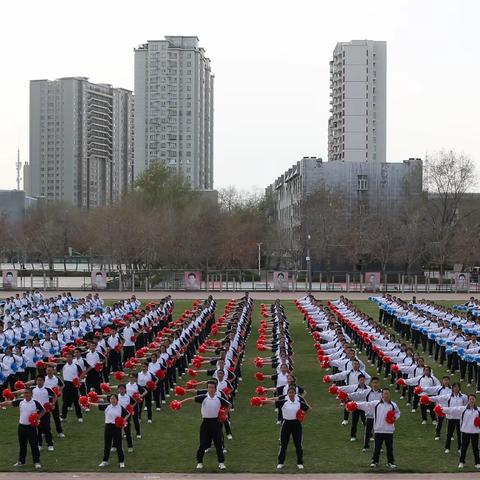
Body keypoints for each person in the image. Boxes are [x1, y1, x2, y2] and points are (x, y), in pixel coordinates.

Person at [178, 380, 231, 470]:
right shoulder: (203, 397)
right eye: (209, 387)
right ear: (207, 388)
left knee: (218, 444)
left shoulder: (218, 399)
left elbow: (228, 405)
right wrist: (180, 403)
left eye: (212, 388)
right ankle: (199, 462)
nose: (210, 389)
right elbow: (191, 399)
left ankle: (221, 463)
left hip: (216, 423)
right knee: (202, 444)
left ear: (215, 389)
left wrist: (224, 414)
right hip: (205, 423)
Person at [263, 385, 311, 470]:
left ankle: (300, 463)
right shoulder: (284, 401)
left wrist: (302, 415)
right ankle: (280, 463)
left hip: (296, 424)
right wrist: (262, 401)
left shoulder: (299, 403)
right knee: (283, 445)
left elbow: (308, 409)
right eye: (290, 392)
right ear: (287, 393)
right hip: (286, 424)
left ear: (295, 393)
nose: (291, 394)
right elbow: (272, 402)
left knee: (298, 445)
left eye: (292, 392)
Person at [354, 388, 400, 469]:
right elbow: (366, 405)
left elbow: (398, 413)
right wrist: (355, 405)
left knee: (390, 448)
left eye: (388, 394)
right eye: (385, 394)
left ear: (389, 395)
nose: (386, 395)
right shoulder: (376, 404)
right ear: (382, 395)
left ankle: (390, 462)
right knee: (377, 447)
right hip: (378, 430)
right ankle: (375, 461)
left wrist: (394, 418)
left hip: (389, 431)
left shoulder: (393, 405)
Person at [0, 387, 44, 469]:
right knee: (22, 445)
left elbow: (43, 410)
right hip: (21, 427)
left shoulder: (35, 403)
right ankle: (21, 461)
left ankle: (37, 462)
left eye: (27, 393)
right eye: (25, 393)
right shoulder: (20, 402)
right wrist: (1, 404)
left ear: (31, 394)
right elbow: (10, 403)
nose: (26, 394)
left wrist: (37, 417)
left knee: (34, 445)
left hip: (31, 428)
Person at [88, 393, 129, 469]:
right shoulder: (107, 406)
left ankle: (121, 462)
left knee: (119, 445)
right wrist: (89, 403)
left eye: (114, 399)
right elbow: (98, 405)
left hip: (117, 428)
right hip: (108, 427)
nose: (112, 400)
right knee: (107, 445)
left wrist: (123, 420)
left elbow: (127, 414)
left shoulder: (120, 407)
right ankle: (105, 461)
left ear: (117, 400)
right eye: (111, 399)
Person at [441, 393, 480, 469]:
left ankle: (477, 463)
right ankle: (461, 462)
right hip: (465, 432)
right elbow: (451, 410)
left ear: (475, 400)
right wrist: (442, 409)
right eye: (470, 399)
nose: (471, 400)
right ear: (468, 400)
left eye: (473, 399)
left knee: (475, 448)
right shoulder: (463, 409)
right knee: (464, 448)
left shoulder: (478, 410)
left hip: (475, 432)